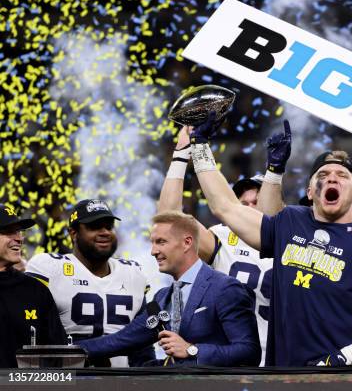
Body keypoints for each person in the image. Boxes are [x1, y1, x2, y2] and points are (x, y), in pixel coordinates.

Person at [188, 119, 352, 367]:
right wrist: (199, 146)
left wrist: (343, 357)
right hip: (284, 379)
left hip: (348, 381)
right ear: (309, 191)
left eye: (342, 175)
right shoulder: (290, 221)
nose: (331, 179)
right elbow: (225, 206)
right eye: (323, 175)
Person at [77, 211, 261, 366]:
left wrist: (192, 349)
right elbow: (122, 340)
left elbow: (249, 351)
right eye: (152, 242)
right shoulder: (162, 298)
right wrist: (66, 351)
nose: (153, 251)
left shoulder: (225, 288)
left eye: (161, 242)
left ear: (187, 243)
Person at [158, 125, 273, 366]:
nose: (249, 209)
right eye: (243, 204)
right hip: (226, 359)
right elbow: (170, 221)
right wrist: (181, 155)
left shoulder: (294, 235)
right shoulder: (223, 238)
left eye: (257, 202)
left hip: (282, 358)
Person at [26, 199, 152, 367]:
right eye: (94, 226)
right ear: (73, 233)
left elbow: (143, 347)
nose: (105, 232)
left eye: (109, 226)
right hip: (68, 378)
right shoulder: (49, 267)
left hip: (121, 380)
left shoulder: (133, 273)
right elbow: (34, 333)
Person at [0, 204, 66, 368]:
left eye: (19, 231)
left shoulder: (36, 290)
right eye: (9, 231)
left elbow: (58, 355)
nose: (19, 238)